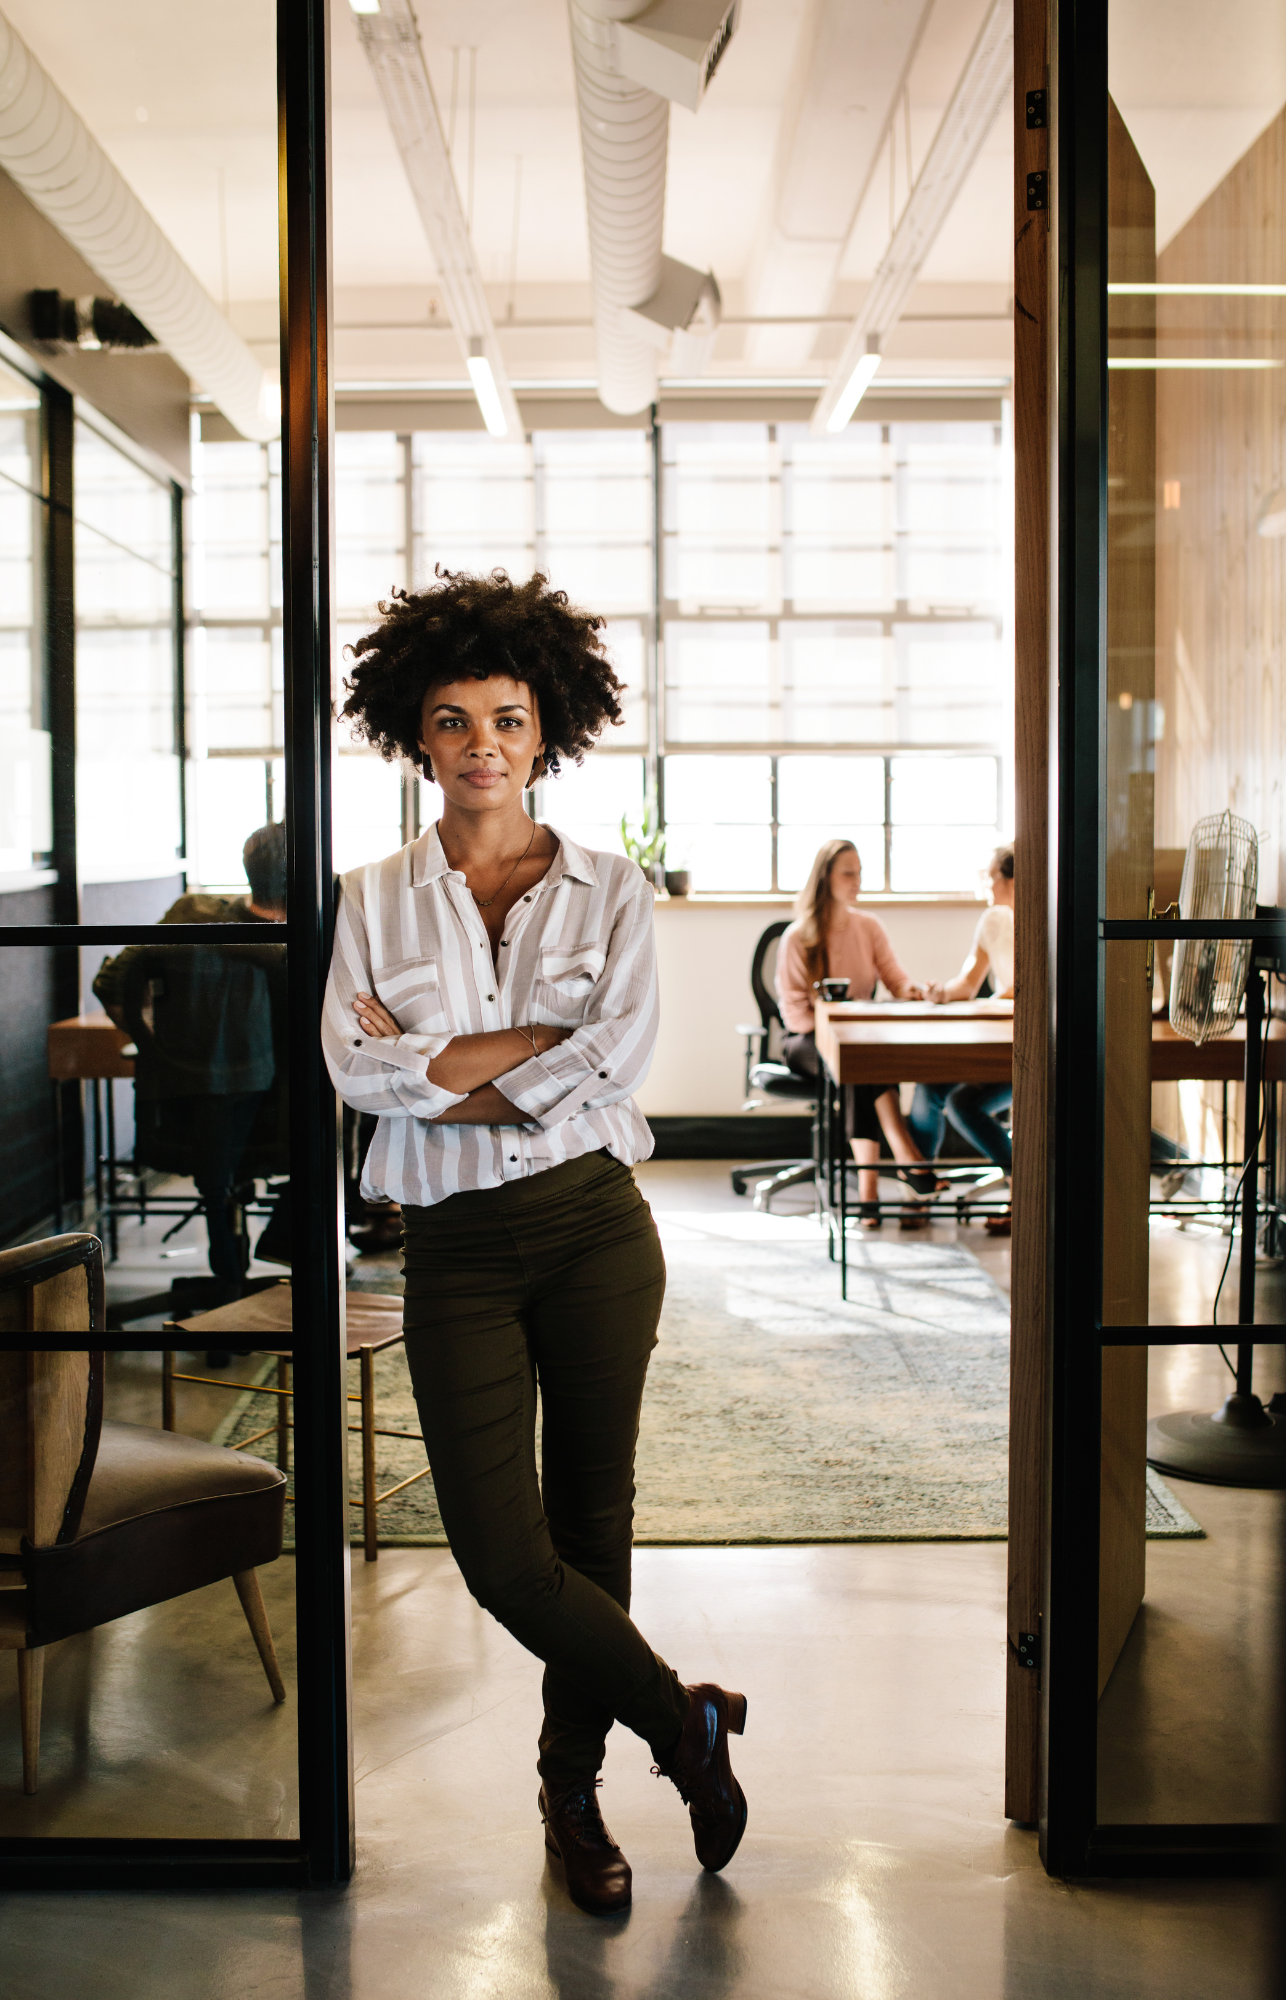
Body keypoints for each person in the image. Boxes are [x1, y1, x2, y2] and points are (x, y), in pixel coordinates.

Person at [322, 567, 747, 1919]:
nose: (481, 745)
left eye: (506, 718)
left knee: (592, 1518)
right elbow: (352, 1068)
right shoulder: (370, 898)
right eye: (451, 721)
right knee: (502, 1557)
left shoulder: (611, 891)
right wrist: (526, 1058)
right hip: (451, 1244)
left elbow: (614, 1058)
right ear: (416, 736)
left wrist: (439, 1065)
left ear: (545, 728)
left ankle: (572, 1791)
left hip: (592, 1231)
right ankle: (683, 1723)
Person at [93, 823, 289, 1296]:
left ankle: (231, 1267)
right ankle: (281, 1246)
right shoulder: (307, 939)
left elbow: (112, 985)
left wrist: (162, 1052)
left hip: (181, 1111)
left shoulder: (192, 916)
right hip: (284, 1127)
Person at [775, 838, 938, 1229]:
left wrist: (911, 990)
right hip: (805, 1039)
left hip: (854, 1042)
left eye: (860, 873)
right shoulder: (798, 937)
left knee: (857, 1062)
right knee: (849, 1057)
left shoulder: (869, 927)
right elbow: (795, 1013)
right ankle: (903, 1159)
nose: (857, 881)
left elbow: (895, 978)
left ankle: (869, 1195)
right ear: (825, 877)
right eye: (849, 873)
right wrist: (837, 1029)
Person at [913, 843, 1015, 1231]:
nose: (987, 884)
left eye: (992, 876)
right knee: (933, 1087)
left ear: (1013, 879)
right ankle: (918, 1189)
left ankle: (1022, 1188)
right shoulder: (992, 921)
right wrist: (941, 992)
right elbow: (968, 983)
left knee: (963, 1103)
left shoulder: (1051, 918)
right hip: (994, 1038)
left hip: (1032, 1049)